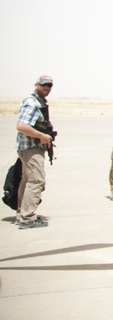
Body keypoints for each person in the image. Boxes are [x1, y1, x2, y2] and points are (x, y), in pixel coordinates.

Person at [15, 75, 55, 229]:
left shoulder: (40, 101)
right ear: (36, 85)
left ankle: (22, 213)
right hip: (30, 147)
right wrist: (41, 136)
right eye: (44, 85)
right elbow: (21, 126)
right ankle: (28, 218)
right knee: (37, 181)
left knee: (27, 180)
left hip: (30, 147)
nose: (47, 88)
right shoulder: (32, 102)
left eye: (49, 86)